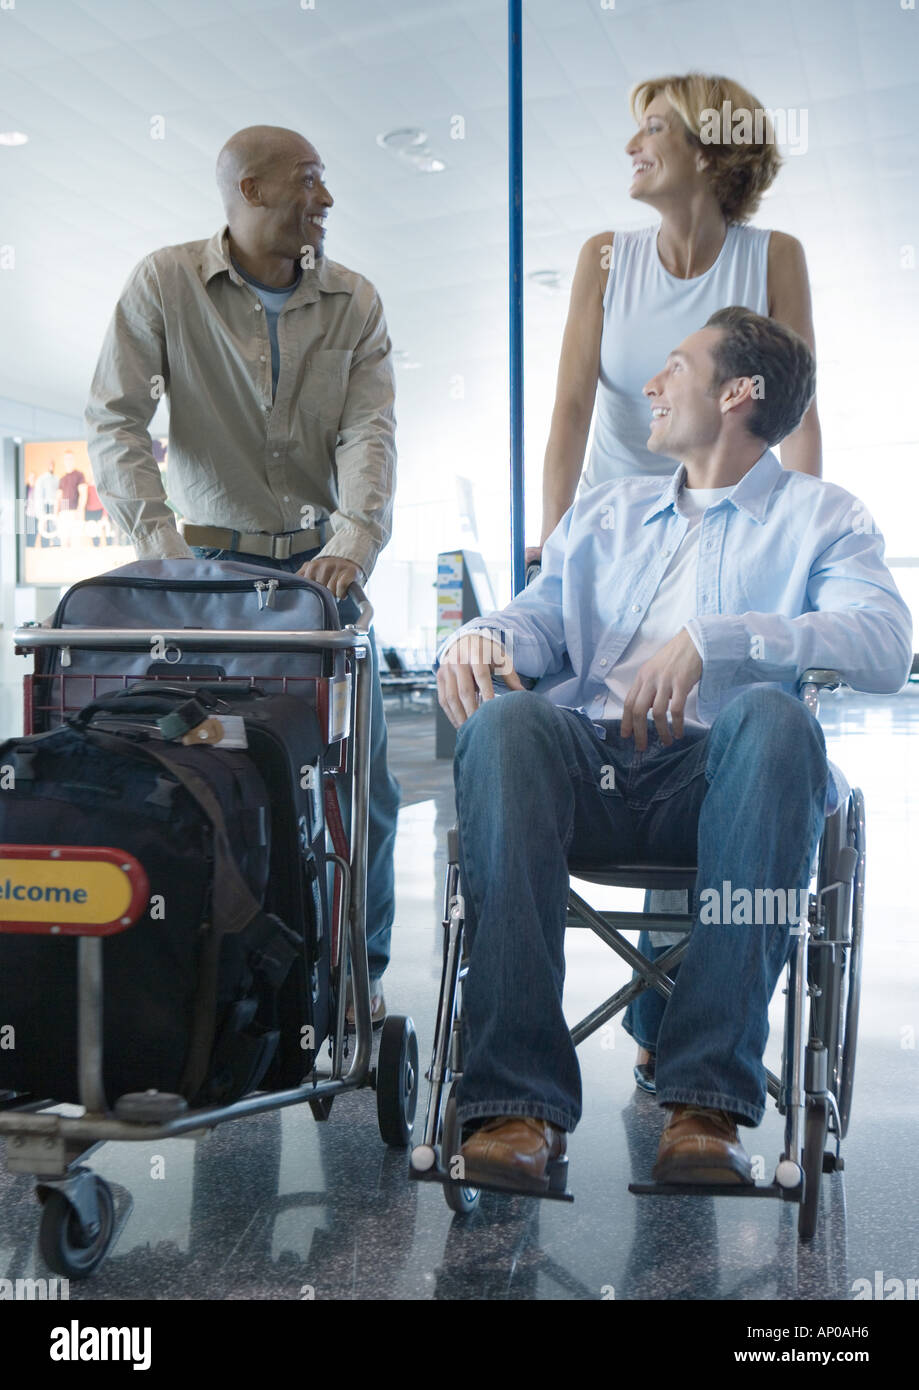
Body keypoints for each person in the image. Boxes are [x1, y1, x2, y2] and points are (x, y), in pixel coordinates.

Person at [435, 307, 911, 1191]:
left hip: (720, 781)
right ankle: (514, 1108)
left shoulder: (821, 517)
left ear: (736, 393)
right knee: (506, 722)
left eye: (673, 369)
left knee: (775, 722)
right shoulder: (604, 512)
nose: (649, 386)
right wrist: (486, 636)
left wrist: (719, 639)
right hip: (590, 769)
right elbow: (537, 618)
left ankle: (702, 1104)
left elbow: (883, 643)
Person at [528, 72, 824, 1091]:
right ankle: (648, 1019)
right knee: (627, 719)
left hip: (731, 519)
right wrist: (550, 549)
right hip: (618, 534)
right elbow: (570, 408)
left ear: (710, 148)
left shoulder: (769, 255)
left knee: (714, 733)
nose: (631, 147)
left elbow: (796, 399)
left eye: (652, 128)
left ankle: (673, 1018)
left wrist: (798, 543)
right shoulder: (604, 259)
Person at [85, 125, 401, 1023]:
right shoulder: (164, 281)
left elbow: (367, 432)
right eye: (310, 181)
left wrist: (355, 536)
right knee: (215, 777)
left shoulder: (354, 301)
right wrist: (161, 550)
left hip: (321, 574)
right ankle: (222, 980)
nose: (327, 201)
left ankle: (353, 981)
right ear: (251, 190)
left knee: (358, 788)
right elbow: (115, 420)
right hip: (203, 574)